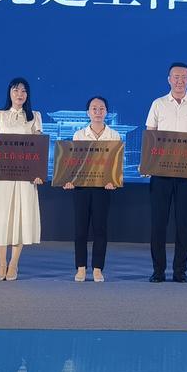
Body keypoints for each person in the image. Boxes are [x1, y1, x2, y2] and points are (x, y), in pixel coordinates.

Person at [145, 62, 187, 283]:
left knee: (184, 224)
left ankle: (180, 271)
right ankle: (158, 270)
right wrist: (148, 164)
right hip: (160, 173)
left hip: (186, 173)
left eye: (184, 77)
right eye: (176, 77)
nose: (180, 81)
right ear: (169, 79)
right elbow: (150, 134)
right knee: (158, 223)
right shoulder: (158, 104)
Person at [0, 77, 43, 282]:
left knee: (20, 219)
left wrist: (38, 173)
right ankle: (1, 264)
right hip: (2, 177)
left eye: (23, 91)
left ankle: (13, 263)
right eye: (16, 90)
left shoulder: (35, 116)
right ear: (9, 93)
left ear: (27, 95)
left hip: (24, 178)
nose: (19, 94)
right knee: (2, 219)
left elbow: (38, 149)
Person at [65, 96, 120, 282]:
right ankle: (81, 268)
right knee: (80, 230)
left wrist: (113, 180)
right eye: (94, 108)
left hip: (103, 188)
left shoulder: (114, 136)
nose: (98, 112)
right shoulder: (79, 135)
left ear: (106, 112)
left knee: (100, 230)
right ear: (88, 112)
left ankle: (97, 269)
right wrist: (70, 180)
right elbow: (73, 163)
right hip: (81, 188)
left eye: (101, 108)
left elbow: (116, 164)